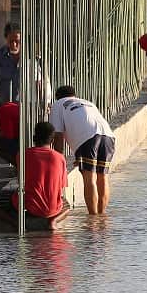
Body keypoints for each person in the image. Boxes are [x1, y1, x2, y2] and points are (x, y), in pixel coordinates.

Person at [0, 121, 69, 227]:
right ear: (52, 140)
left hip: (30, 207)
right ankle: (54, 221)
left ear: (34, 138)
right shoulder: (60, 158)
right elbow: (61, 186)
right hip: (53, 209)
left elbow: (20, 181)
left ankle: (15, 223)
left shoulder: (23, 155)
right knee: (66, 205)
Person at [49, 85, 115, 215]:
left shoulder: (57, 105)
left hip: (87, 138)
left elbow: (58, 136)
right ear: (74, 95)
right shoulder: (87, 102)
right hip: (108, 137)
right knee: (102, 176)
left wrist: (59, 162)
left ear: (57, 97)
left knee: (89, 178)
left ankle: (93, 218)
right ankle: (102, 217)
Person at [0, 99, 20, 166]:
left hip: (24, 141)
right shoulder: (7, 105)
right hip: (26, 136)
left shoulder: (3, 111)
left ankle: (20, 166)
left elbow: (9, 137)